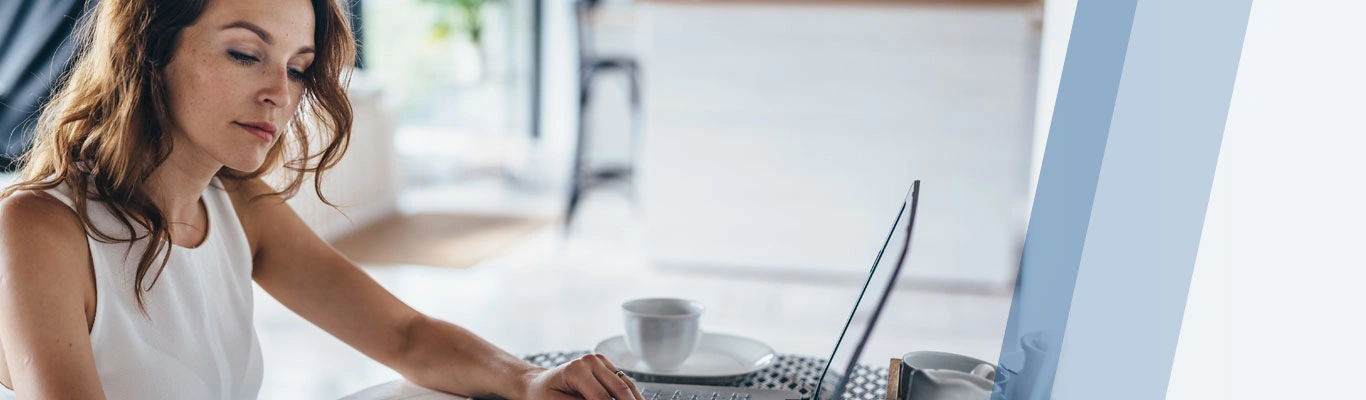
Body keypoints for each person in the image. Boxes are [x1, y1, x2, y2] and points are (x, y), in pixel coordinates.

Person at [0, 0, 644, 399]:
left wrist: (526, 380)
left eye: (299, 66)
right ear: (149, 49)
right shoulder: (38, 228)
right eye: (246, 53)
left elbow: (405, 336)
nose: (280, 92)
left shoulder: (236, 204)